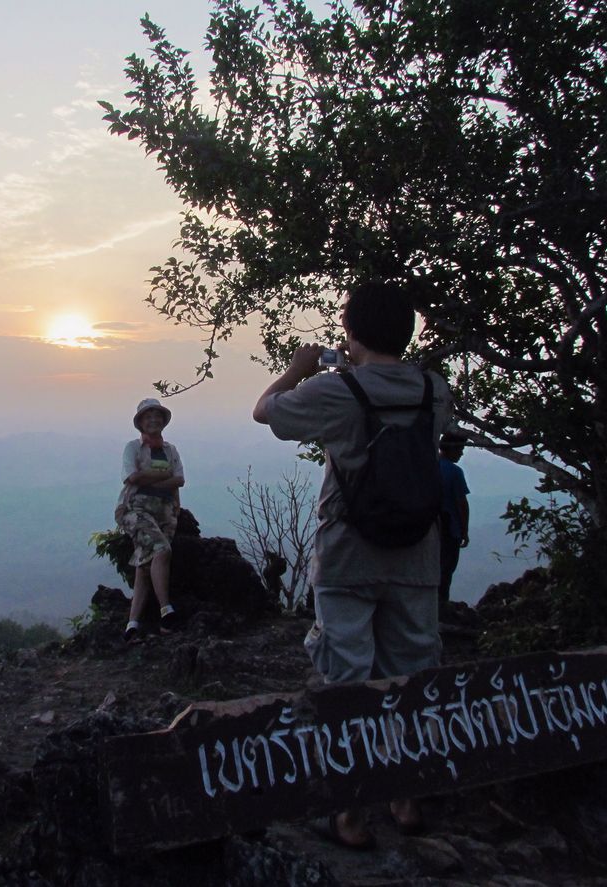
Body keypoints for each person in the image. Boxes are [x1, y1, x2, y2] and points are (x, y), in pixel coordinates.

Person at [252, 279, 451, 848]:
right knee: (413, 674)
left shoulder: (338, 391)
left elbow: (266, 412)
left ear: (352, 331)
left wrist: (298, 368)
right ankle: (407, 799)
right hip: (416, 554)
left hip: (348, 555)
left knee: (347, 680)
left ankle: (350, 814)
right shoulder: (435, 389)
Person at [116, 398, 185, 643]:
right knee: (161, 550)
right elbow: (132, 478)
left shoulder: (170, 450)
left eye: (157, 415)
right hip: (137, 509)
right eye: (148, 416)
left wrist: (150, 478)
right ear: (140, 423)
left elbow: (179, 480)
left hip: (165, 511)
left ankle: (132, 625)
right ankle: (166, 611)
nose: (153, 420)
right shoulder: (133, 448)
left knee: (145, 566)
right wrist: (163, 475)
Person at [438, 432, 471, 608]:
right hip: (450, 529)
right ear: (452, 449)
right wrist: (464, 531)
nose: (461, 454)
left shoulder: (428, 466)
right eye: (460, 449)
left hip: (426, 530)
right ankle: (442, 606)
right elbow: (461, 504)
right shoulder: (454, 472)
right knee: (446, 570)